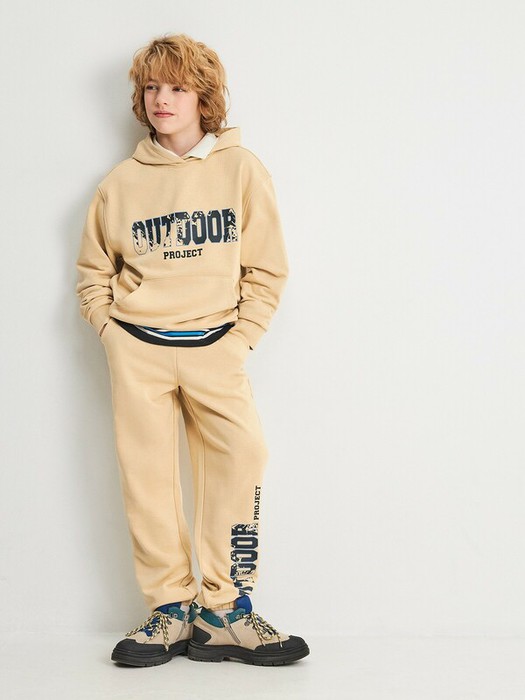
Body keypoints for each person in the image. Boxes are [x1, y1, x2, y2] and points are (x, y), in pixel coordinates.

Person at [75, 33, 309, 667]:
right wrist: (110, 333)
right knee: (147, 477)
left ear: (204, 98)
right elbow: (92, 273)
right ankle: (170, 609)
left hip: (216, 346)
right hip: (138, 348)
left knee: (243, 456)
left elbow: (267, 268)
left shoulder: (241, 169)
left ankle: (226, 610)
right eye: (151, 87)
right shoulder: (121, 183)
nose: (162, 99)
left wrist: (242, 339)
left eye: (177, 87)